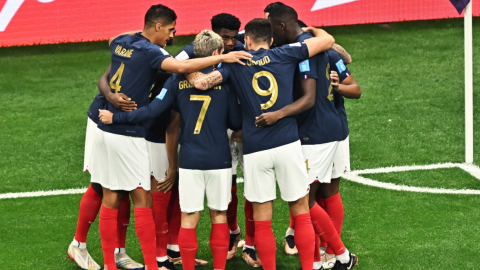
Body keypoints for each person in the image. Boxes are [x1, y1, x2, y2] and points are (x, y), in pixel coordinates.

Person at [89, 4, 251, 270]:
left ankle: (166, 261)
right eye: (170, 30)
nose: (172, 36)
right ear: (217, 51)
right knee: (218, 215)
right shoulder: (226, 77)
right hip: (219, 158)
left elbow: (152, 110)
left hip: (187, 157)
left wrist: (114, 116)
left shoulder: (173, 80)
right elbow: (234, 120)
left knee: (187, 216)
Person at [185, 18, 334, 270]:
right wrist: (312, 30)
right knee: (301, 211)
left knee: (263, 220)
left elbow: (199, 83)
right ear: (271, 40)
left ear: (248, 40)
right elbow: (328, 41)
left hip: (256, 150)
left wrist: (199, 64)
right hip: (288, 144)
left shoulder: (235, 64)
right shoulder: (286, 52)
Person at [268, 5, 358, 270]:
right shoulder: (328, 50)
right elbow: (355, 86)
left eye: (272, 27)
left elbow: (308, 98)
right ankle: (328, 251)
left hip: (314, 134)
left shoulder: (300, 53)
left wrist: (279, 115)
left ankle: (336, 254)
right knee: (330, 191)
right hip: (338, 130)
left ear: (283, 26)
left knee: (303, 198)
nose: (270, 35)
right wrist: (336, 86)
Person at [174, 13, 249, 262]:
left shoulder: (243, 48)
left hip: (203, 147)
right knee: (220, 208)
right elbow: (174, 66)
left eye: (233, 37)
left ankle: (246, 239)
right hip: (220, 139)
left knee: (252, 191)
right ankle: (234, 235)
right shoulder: (190, 54)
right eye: (224, 38)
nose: (230, 43)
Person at [67, 67, 142, 270]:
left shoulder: (148, 48)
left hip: (127, 124)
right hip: (104, 119)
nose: (173, 34)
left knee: (126, 183)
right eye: (170, 31)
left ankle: (119, 251)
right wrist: (110, 95)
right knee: (102, 184)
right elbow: (103, 77)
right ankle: (78, 245)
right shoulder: (140, 48)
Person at [317, 51, 361, 269]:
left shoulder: (329, 54)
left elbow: (356, 89)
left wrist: (338, 88)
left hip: (328, 135)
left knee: (322, 193)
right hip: (317, 135)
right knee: (316, 194)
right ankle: (326, 249)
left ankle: (331, 250)